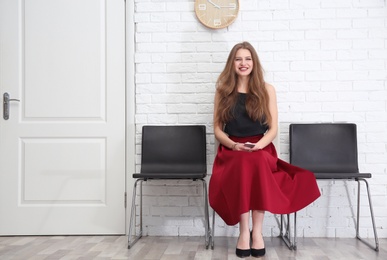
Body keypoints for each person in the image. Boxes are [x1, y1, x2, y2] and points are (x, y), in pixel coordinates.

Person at [209, 42, 321, 258]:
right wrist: (233, 145)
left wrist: (260, 145)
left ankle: (257, 233)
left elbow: (273, 128)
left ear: (254, 62)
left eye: (248, 59)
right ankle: (244, 233)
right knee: (243, 163)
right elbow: (217, 129)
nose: (243, 63)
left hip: (260, 148)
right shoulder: (223, 91)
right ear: (232, 63)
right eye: (238, 59)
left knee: (258, 161)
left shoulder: (267, 89)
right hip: (232, 149)